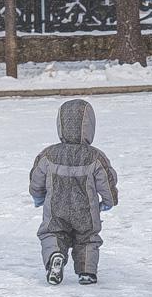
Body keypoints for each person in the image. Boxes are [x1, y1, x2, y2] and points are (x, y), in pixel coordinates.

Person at [28, 99, 119, 286]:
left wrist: (38, 196)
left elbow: (36, 177)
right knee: (88, 238)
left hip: (55, 207)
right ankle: (87, 271)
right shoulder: (95, 156)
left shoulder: (48, 154)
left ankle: (55, 254)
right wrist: (110, 200)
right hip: (86, 209)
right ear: (89, 127)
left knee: (51, 233)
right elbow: (106, 180)